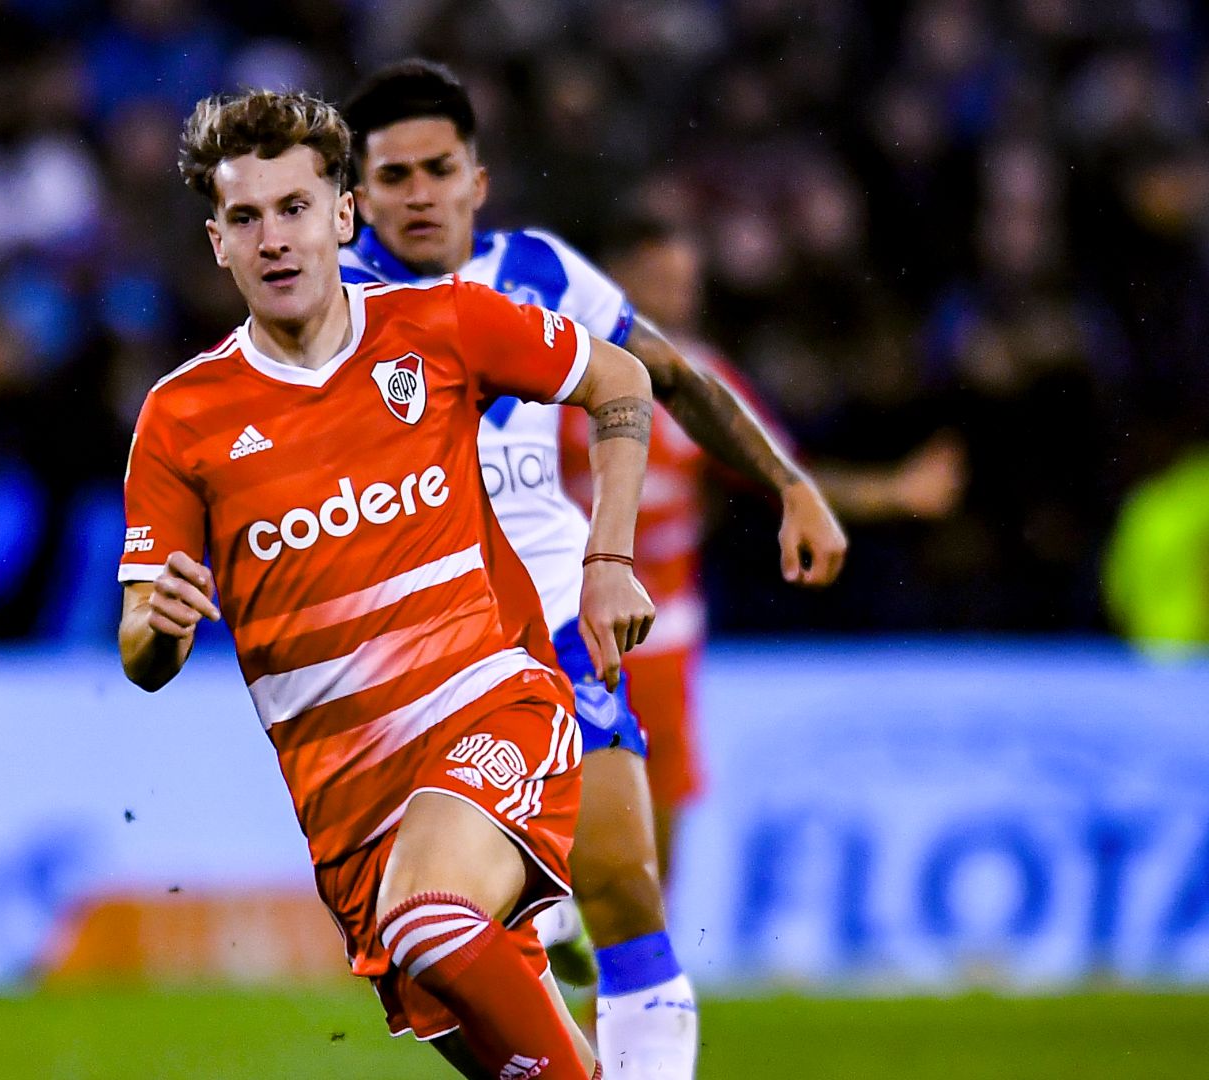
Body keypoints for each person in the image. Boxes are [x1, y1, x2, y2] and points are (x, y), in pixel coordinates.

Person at [121, 88, 661, 1080]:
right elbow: (142, 655)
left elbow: (620, 380)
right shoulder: (180, 419)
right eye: (246, 217)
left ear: (341, 216)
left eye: (294, 209)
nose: (274, 238)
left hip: (494, 712)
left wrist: (608, 561)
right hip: (350, 816)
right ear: (217, 241)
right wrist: (155, 626)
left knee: (429, 919)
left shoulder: (440, 324)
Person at [340, 60, 848, 1078]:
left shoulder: (541, 270)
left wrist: (790, 483)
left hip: (558, 616)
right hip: (416, 652)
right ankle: (541, 931)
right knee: (436, 948)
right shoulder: (324, 306)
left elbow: (670, 377)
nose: (420, 191)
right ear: (358, 195)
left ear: (476, 179)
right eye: (393, 176)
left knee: (626, 887)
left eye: (439, 167)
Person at [571, 218, 964, 889]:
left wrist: (896, 492)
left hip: (668, 639)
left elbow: (785, 475)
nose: (680, 298)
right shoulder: (559, 374)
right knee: (566, 824)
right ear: (618, 283)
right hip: (569, 635)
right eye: (662, 282)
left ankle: (638, 977)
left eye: (687, 284)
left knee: (658, 835)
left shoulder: (702, 382)